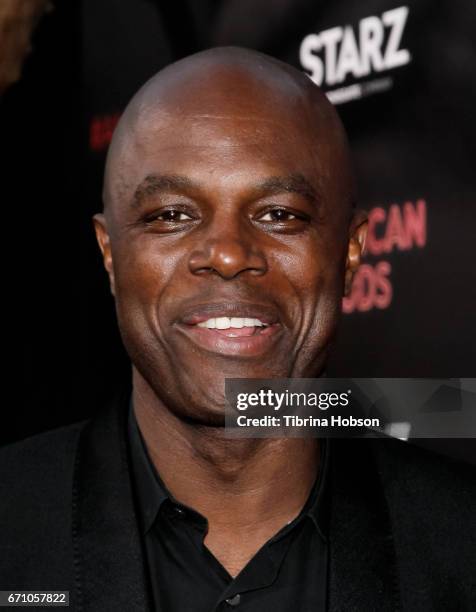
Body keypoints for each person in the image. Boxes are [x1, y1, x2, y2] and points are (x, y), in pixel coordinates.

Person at [1, 47, 475, 611]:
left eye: (279, 214)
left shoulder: (460, 545)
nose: (227, 255)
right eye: (172, 215)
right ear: (110, 255)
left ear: (350, 255)